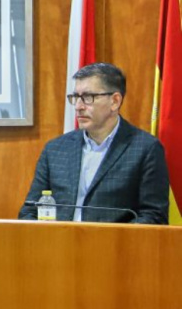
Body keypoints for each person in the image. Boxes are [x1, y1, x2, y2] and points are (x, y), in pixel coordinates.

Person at [18, 63, 168, 224]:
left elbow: (154, 216)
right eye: (75, 97)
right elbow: (29, 211)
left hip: (113, 240)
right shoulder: (55, 149)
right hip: (59, 239)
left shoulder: (145, 149)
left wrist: (107, 238)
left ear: (115, 101)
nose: (78, 106)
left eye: (88, 97)